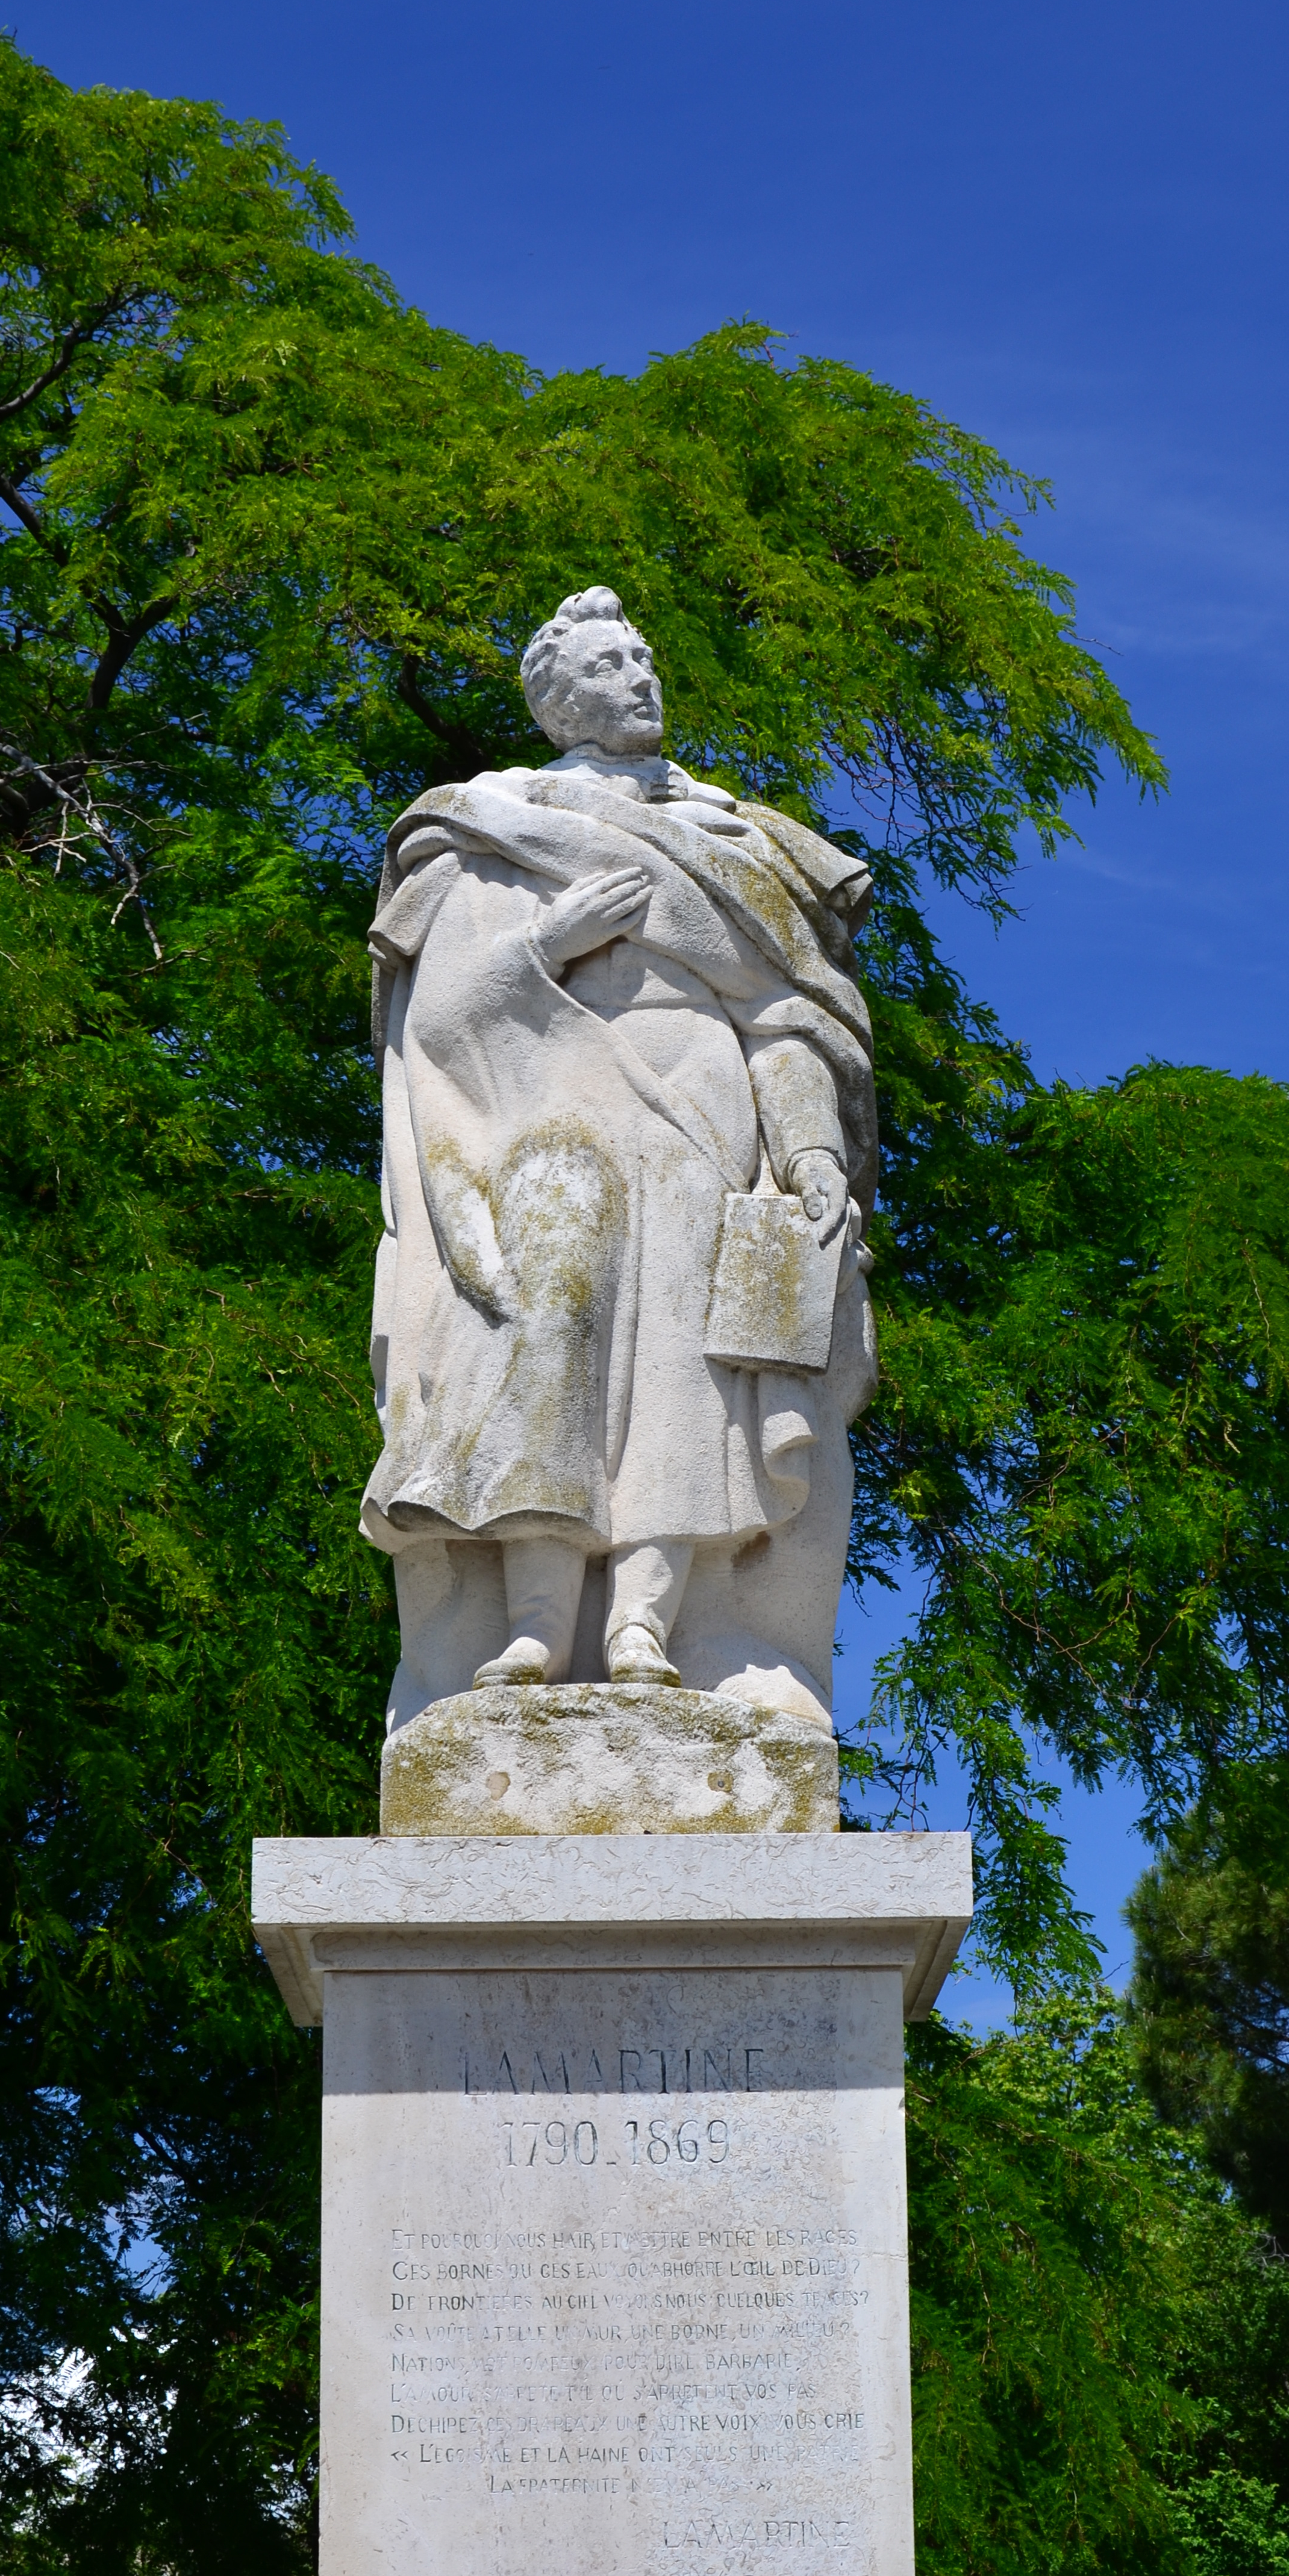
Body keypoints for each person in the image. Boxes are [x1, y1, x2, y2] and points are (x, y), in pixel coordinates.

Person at [360, 587, 878, 1729]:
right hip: (546, 1128)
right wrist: (548, 941)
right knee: (542, 1348)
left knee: (689, 1374)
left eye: (644, 657)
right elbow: (437, 1021)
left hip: (703, 1124)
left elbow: (785, 1020)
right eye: (610, 664)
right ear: (558, 702)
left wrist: (807, 1149)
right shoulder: (489, 827)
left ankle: (648, 1623)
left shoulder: (732, 840)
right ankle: (537, 1623)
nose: (641, 677)